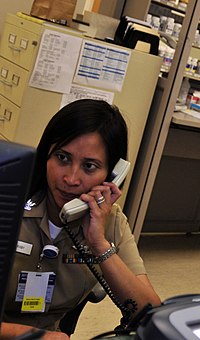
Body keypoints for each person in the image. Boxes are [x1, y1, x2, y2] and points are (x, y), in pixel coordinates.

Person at [0, 99, 161, 338]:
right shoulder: (8, 202)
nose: (71, 179)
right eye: (63, 158)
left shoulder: (111, 221)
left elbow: (151, 316)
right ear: (46, 155)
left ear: (112, 175)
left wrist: (98, 244)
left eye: (89, 166)